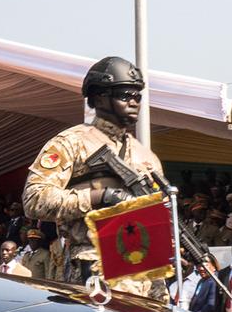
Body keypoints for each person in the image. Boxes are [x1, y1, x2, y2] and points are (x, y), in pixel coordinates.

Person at [22, 56, 166, 296]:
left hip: (140, 275)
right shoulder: (72, 143)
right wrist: (100, 197)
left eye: (137, 96)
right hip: (92, 270)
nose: (134, 102)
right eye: (124, 95)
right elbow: (34, 199)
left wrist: (160, 293)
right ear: (99, 97)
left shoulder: (146, 157)